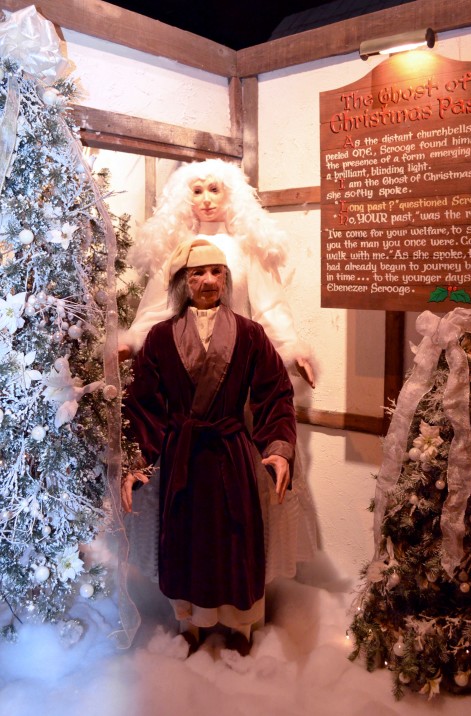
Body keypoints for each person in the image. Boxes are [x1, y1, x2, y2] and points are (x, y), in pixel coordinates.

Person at [121, 158, 317, 589]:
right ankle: (189, 592)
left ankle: (243, 589)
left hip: (236, 380)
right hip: (185, 381)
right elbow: (155, 311)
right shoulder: (177, 252)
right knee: (187, 501)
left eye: (215, 189)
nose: (207, 200)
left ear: (233, 195)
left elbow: (270, 306)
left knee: (241, 493)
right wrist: (131, 341)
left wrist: (291, 348)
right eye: (197, 191)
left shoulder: (244, 250)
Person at [121, 239, 297, 655]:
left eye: (217, 271)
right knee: (187, 542)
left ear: (227, 278)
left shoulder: (250, 333)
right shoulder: (161, 337)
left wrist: (277, 448)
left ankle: (242, 627)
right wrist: (138, 461)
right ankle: (190, 625)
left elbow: (274, 393)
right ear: (182, 282)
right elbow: (145, 405)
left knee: (237, 538)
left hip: (231, 454)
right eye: (197, 273)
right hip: (183, 456)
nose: (208, 280)